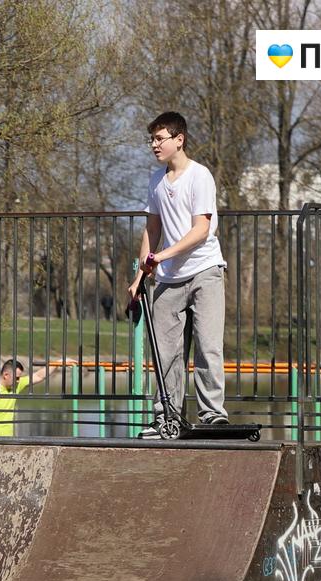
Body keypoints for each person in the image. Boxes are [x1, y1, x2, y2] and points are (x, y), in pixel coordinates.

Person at [129, 110, 229, 437]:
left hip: (204, 272)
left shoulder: (200, 177)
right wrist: (139, 277)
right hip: (168, 280)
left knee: (207, 346)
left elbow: (201, 230)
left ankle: (213, 414)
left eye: (160, 139)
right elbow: (152, 229)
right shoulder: (155, 181)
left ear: (179, 140)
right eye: (152, 139)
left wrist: (161, 256)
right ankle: (166, 419)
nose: (153, 145)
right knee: (166, 353)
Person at [0, 359, 60, 436]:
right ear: (6, 375)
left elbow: (39, 376)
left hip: (8, 440)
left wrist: (58, 363)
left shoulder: (16, 385)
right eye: (17, 378)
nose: (18, 381)